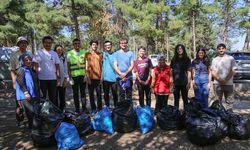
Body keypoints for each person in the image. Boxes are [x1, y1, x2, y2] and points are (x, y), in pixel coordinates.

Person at [9, 36, 32, 126]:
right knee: (19, 103)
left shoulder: (29, 53)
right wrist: (14, 82)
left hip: (28, 79)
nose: (23, 44)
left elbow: (32, 65)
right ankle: (20, 120)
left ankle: (30, 120)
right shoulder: (14, 55)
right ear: (18, 44)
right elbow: (12, 69)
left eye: (25, 42)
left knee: (29, 100)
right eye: (21, 42)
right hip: (19, 80)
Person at [33, 36, 60, 106]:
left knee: (53, 98)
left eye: (50, 43)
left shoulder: (54, 53)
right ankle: (43, 115)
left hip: (53, 79)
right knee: (42, 98)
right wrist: (36, 78)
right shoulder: (38, 52)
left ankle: (54, 114)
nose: (48, 44)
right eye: (46, 43)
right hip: (42, 79)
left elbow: (57, 66)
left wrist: (58, 78)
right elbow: (35, 66)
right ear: (43, 43)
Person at [16, 53, 40, 128]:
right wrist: (26, 93)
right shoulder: (21, 70)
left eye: (30, 59)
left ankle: (33, 127)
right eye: (26, 60)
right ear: (22, 61)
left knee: (34, 111)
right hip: (25, 95)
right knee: (30, 112)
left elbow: (35, 82)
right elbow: (20, 82)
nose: (29, 61)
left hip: (33, 94)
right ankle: (33, 128)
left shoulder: (31, 69)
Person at [211, 43, 236, 109]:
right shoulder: (214, 59)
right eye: (219, 49)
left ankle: (229, 117)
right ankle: (218, 118)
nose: (221, 50)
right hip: (217, 84)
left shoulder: (231, 58)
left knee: (229, 103)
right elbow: (213, 71)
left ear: (225, 49)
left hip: (229, 84)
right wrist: (220, 80)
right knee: (217, 103)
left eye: (222, 48)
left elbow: (233, 70)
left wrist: (225, 80)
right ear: (217, 50)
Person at [67, 39, 88, 113]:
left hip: (82, 76)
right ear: (73, 44)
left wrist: (86, 75)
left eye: (78, 43)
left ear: (80, 44)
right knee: (75, 93)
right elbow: (68, 66)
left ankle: (84, 109)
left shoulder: (84, 52)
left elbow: (86, 64)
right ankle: (77, 109)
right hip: (74, 77)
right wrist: (69, 78)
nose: (77, 45)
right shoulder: (69, 53)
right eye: (75, 43)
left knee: (83, 93)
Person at [170, 44, 192, 110]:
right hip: (175, 83)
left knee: (185, 99)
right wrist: (171, 80)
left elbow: (189, 71)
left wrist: (189, 82)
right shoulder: (174, 59)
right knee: (176, 99)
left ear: (183, 50)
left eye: (181, 49)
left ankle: (186, 114)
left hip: (184, 82)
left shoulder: (187, 59)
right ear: (176, 50)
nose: (179, 50)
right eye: (178, 49)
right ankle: (176, 113)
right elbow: (171, 70)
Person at [86, 40, 102, 114]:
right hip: (90, 78)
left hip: (98, 78)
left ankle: (100, 109)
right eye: (93, 45)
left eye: (95, 45)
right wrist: (87, 77)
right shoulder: (87, 54)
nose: (94, 46)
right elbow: (86, 66)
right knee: (91, 94)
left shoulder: (100, 54)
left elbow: (101, 66)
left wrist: (102, 77)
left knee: (99, 94)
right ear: (91, 45)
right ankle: (93, 108)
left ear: (97, 46)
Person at [102, 40, 118, 108]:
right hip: (105, 78)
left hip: (114, 78)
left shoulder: (115, 54)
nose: (108, 46)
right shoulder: (102, 54)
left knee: (115, 94)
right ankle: (107, 108)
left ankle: (116, 108)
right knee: (106, 94)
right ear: (104, 47)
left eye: (109, 45)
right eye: (106, 45)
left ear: (111, 46)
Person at [54, 45, 69, 111]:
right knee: (55, 97)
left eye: (60, 49)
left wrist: (66, 79)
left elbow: (66, 69)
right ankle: (56, 111)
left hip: (62, 80)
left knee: (62, 97)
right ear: (55, 50)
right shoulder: (53, 58)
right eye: (58, 49)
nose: (59, 51)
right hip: (54, 81)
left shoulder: (64, 58)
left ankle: (62, 110)